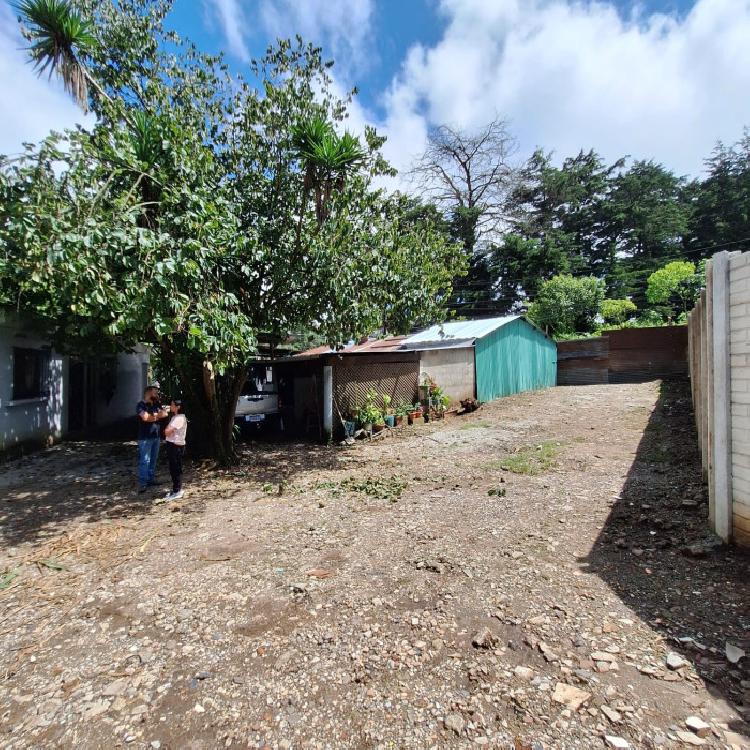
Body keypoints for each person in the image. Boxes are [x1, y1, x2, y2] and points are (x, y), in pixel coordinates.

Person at [136, 385, 168, 493]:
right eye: (155, 392)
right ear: (148, 393)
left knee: (153, 460)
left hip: (156, 436)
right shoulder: (141, 405)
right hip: (145, 438)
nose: (157, 394)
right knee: (145, 460)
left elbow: (165, 414)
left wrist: (154, 416)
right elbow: (145, 418)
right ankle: (143, 483)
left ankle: (150, 479)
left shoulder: (157, 404)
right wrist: (156, 416)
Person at [163, 398, 187, 501]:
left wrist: (167, 430)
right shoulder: (175, 417)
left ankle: (178, 490)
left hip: (175, 446)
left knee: (176, 468)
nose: (170, 406)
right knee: (173, 468)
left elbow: (167, 432)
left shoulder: (179, 418)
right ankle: (175, 489)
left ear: (178, 407)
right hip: (172, 444)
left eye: (172, 405)